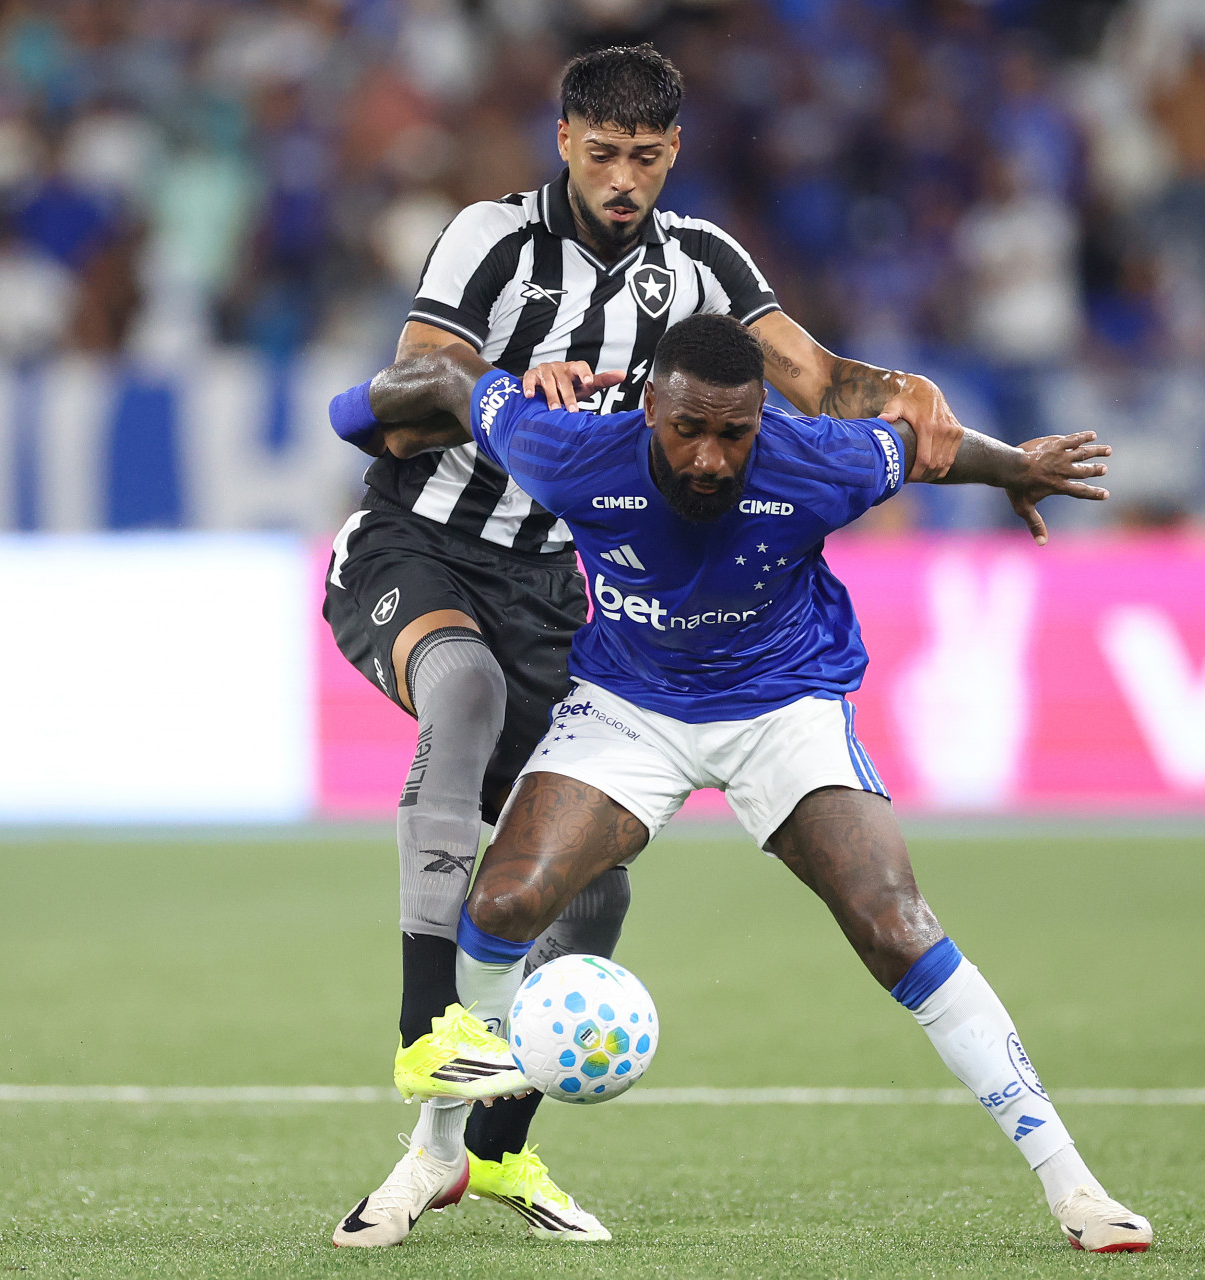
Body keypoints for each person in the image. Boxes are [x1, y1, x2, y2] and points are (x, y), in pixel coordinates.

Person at [323, 44, 969, 1246]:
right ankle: (426, 1025)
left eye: (649, 156)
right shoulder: (489, 237)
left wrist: (904, 385)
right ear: (564, 139)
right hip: (419, 543)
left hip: (556, 586)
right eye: (604, 152)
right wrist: (508, 376)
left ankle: (496, 1159)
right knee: (458, 693)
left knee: (592, 882)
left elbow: (821, 382)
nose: (625, 177)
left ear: (675, 153)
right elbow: (418, 381)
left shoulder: (704, 263)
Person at [339, 312, 1154, 1254]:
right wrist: (354, 408)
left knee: (896, 925)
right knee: (507, 899)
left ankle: (1074, 1187)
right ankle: (442, 1153)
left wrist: (1016, 467)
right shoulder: (561, 447)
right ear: (649, 408)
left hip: (782, 705)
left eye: (736, 432)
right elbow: (450, 385)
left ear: (764, 417)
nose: (713, 459)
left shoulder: (816, 459)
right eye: (690, 428)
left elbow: (925, 453)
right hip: (631, 706)